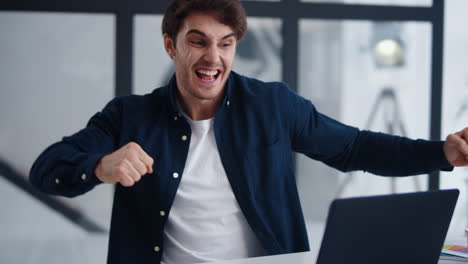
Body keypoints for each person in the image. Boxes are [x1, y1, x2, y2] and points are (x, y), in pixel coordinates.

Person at [29, 0, 468, 263]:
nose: (213, 58)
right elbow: (46, 170)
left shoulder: (274, 104)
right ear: (171, 44)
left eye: (225, 43)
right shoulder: (129, 116)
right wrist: (101, 166)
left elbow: (354, 148)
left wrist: (442, 153)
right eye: (198, 41)